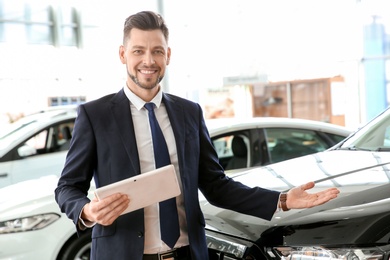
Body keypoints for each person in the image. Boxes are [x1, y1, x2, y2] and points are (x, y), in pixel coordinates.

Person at [54, 10, 340, 260]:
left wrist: (282, 200)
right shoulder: (96, 115)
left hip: (187, 253)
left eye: (157, 51)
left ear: (168, 55)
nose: (148, 61)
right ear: (122, 54)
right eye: (138, 51)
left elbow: (216, 185)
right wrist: (87, 212)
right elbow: (67, 187)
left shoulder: (189, 113)